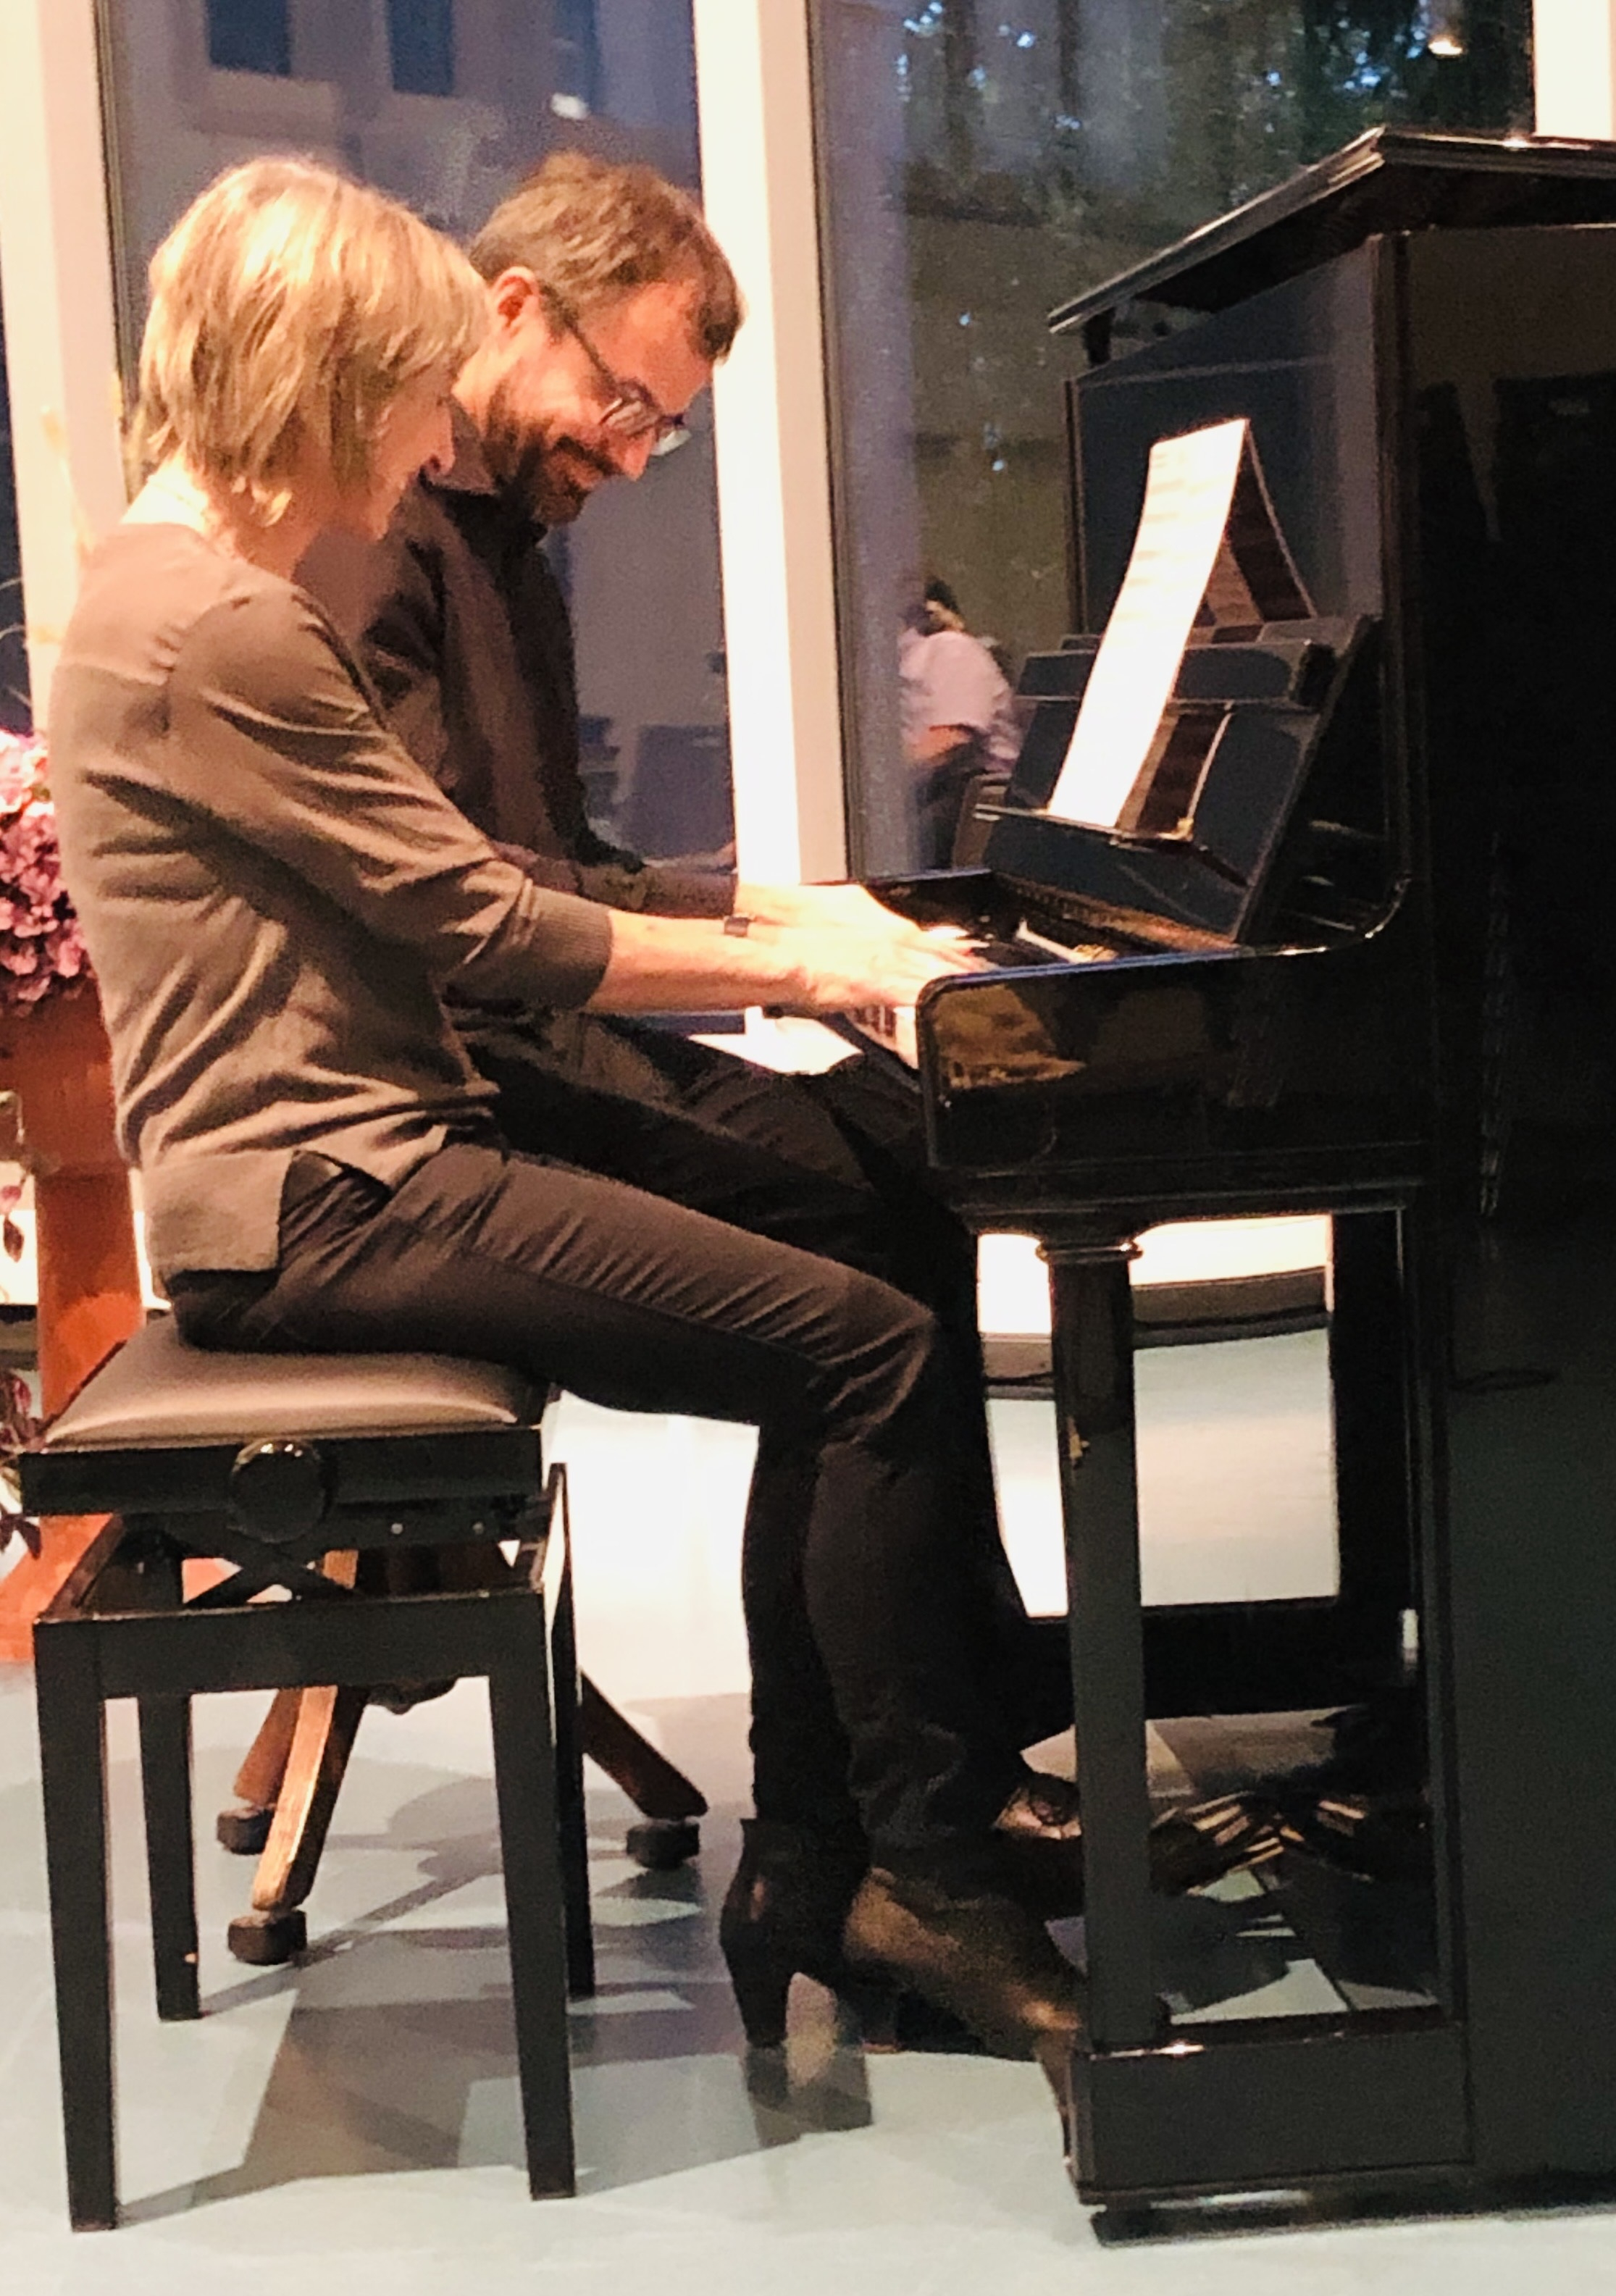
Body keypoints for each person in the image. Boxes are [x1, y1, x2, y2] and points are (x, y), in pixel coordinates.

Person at [46, 156, 1083, 2064]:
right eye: (401, 395)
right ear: (317, 375)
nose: (421, 437)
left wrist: (788, 929)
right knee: (867, 1348)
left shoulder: (159, 584)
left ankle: (854, 1852)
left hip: (339, 1161)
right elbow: (483, 922)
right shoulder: (228, 624)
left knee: (856, 1319)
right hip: (331, 1191)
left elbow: (493, 889)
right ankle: (905, 1874)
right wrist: (810, 965)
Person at [899, 578, 1021, 867]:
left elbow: (951, 739)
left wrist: (876, 784)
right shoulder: (887, 663)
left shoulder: (949, 649)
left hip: (968, 795)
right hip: (925, 789)